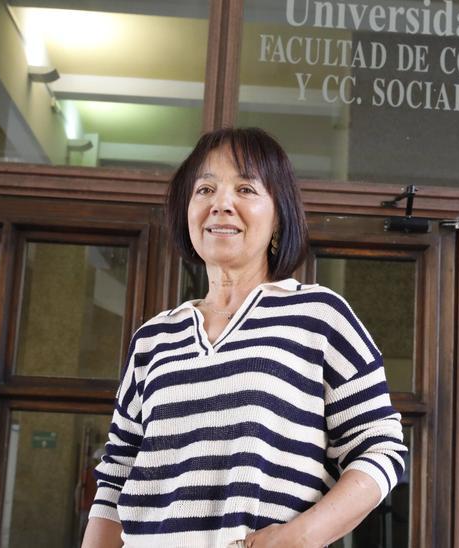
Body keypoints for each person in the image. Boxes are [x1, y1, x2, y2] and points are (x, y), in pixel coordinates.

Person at [81, 128, 407, 547]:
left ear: (278, 215)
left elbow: (380, 448)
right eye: (205, 189)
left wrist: (301, 536)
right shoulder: (153, 339)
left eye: (246, 188)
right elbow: (115, 481)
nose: (221, 204)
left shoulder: (319, 317)